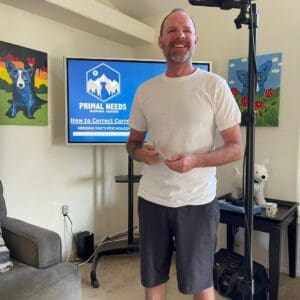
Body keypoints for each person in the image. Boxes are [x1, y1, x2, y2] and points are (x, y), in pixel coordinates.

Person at [126, 8, 243, 300]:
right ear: (161, 41)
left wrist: (196, 161)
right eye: (172, 31)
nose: (180, 36)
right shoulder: (145, 91)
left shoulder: (214, 86)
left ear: (195, 39)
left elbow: (236, 148)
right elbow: (132, 144)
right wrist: (142, 154)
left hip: (197, 203)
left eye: (186, 31)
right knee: (152, 279)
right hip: (152, 200)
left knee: (200, 282)